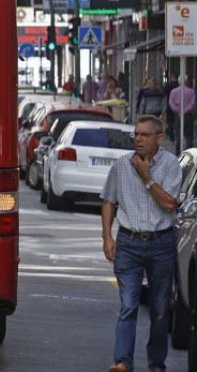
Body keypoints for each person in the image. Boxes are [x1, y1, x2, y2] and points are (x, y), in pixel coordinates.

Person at [101, 115, 181, 372]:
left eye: (144, 135)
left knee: (159, 311)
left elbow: (169, 203)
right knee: (128, 306)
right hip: (129, 242)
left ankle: (157, 363)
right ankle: (122, 361)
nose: (137, 139)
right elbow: (108, 201)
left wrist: (146, 176)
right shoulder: (121, 164)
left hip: (161, 244)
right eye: (135, 134)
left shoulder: (171, 165)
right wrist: (107, 236)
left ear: (159, 138)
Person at [169, 77, 195, 152]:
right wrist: (185, 111)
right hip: (188, 115)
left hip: (177, 115)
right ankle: (189, 152)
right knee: (189, 135)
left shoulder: (173, 91)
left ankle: (178, 151)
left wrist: (177, 110)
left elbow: (171, 102)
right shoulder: (191, 91)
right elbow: (192, 104)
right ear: (187, 81)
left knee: (178, 134)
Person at [163, 75, 179, 139]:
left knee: (170, 121)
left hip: (170, 105)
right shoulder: (178, 85)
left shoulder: (168, 85)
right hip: (178, 105)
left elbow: (164, 92)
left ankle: (171, 134)